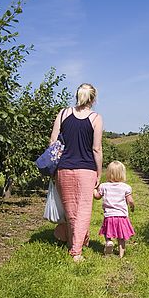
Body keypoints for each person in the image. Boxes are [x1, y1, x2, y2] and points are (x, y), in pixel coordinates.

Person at [51, 83, 103, 263]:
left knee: (70, 209)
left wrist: (53, 168)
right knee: (82, 210)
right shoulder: (96, 118)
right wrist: (99, 172)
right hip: (86, 169)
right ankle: (76, 250)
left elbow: (52, 144)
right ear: (93, 99)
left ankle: (77, 240)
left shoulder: (63, 113)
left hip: (63, 168)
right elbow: (96, 149)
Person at [93, 160, 135, 258]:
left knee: (108, 232)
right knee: (121, 237)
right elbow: (130, 200)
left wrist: (94, 189)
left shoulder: (104, 186)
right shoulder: (125, 187)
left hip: (109, 215)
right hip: (121, 216)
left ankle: (108, 241)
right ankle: (120, 255)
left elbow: (97, 196)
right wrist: (132, 206)